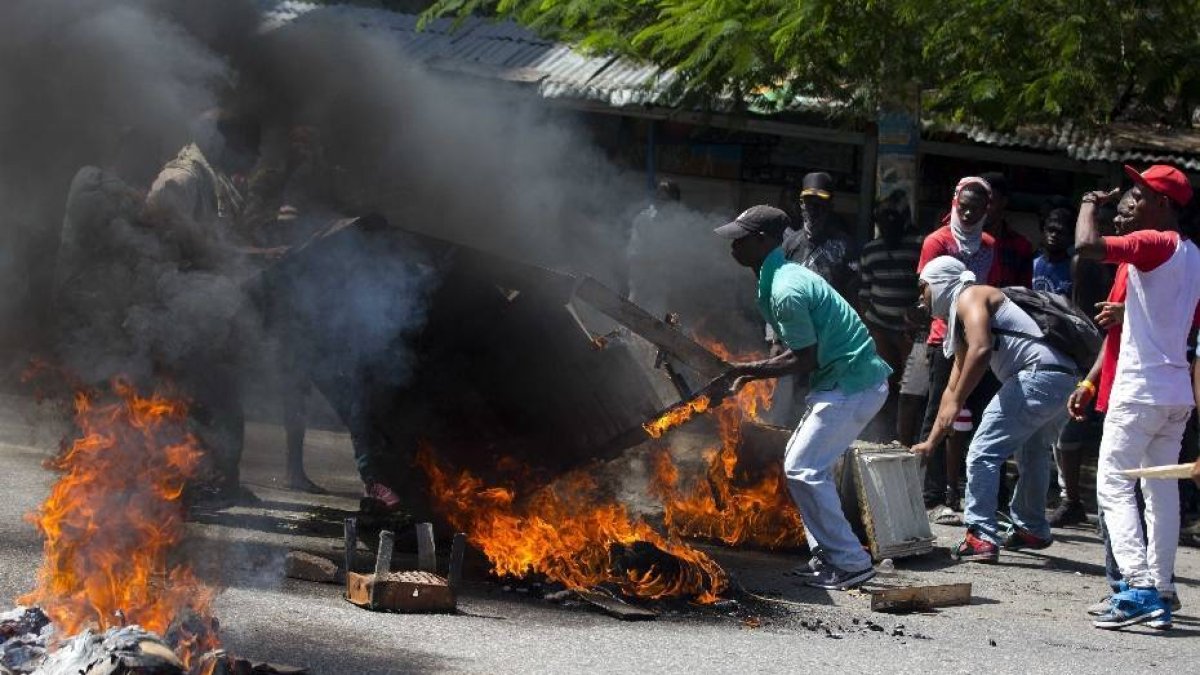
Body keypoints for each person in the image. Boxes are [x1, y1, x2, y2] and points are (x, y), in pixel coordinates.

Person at [713, 205, 891, 590]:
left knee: (803, 469)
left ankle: (852, 562)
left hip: (853, 383)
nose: (733, 245)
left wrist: (745, 372)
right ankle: (828, 556)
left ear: (762, 242)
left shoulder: (785, 288)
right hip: (844, 381)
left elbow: (803, 358)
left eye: (740, 238)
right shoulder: (777, 276)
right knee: (805, 467)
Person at [1074, 164, 1200, 631]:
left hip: (1141, 389)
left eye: (1141, 194)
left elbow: (1088, 246)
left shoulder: (1154, 243)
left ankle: (1139, 588)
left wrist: (1090, 204)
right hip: (1174, 391)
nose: (1132, 200)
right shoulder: (1194, 256)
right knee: (1159, 487)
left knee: (1112, 482)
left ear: (1164, 205)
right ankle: (1162, 587)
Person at [911, 257, 1077, 562]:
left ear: (939, 282)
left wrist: (961, 396)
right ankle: (1032, 528)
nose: (921, 299)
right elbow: (950, 392)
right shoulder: (961, 323)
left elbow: (982, 349)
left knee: (982, 451)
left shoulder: (971, 296)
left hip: (1036, 375)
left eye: (923, 289)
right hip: (1063, 378)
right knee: (1032, 451)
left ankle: (981, 536)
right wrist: (931, 443)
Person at [917, 177, 1004, 514]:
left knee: (982, 414)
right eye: (962, 205)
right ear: (953, 204)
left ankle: (976, 492)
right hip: (945, 337)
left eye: (976, 208)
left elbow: (987, 287)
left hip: (980, 334)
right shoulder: (937, 241)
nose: (968, 213)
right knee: (940, 409)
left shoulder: (989, 244)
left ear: (987, 210)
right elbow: (926, 292)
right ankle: (932, 492)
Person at [858, 192, 922, 394]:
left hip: (910, 331)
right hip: (881, 329)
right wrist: (873, 328)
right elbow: (864, 293)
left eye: (893, 219)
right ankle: (881, 423)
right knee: (882, 384)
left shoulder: (918, 247)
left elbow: (925, 291)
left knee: (910, 385)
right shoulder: (870, 250)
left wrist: (915, 324)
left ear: (904, 220)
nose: (888, 224)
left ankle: (903, 424)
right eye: (883, 220)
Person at [980, 172, 1034, 288]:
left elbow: (1023, 293)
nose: (983, 208)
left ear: (1003, 202)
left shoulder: (1020, 246)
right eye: (979, 202)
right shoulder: (960, 241)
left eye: (989, 202)